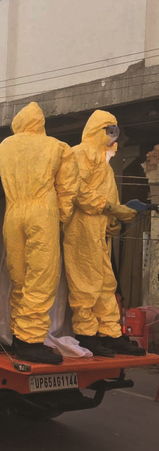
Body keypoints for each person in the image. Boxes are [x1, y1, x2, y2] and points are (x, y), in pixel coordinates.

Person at [0, 102, 79, 364]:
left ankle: (19, 336)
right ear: (40, 123)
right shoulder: (58, 147)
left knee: (18, 276)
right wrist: (60, 217)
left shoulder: (3, 147)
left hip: (13, 212)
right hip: (41, 212)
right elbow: (67, 188)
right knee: (41, 277)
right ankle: (30, 341)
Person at [63, 111, 145, 356]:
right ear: (96, 130)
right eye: (109, 131)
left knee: (106, 284)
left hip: (99, 230)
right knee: (85, 283)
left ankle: (110, 334)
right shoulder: (79, 153)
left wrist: (113, 219)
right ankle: (86, 335)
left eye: (115, 131)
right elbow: (76, 190)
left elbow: (109, 196)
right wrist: (109, 208)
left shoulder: (105, 162)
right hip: (81, 227)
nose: (113, 137)